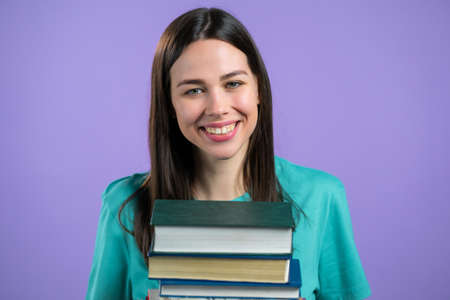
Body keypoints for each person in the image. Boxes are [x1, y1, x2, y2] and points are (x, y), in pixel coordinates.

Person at [86, 7, 371, 300]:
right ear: (169, 103)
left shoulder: (320, 197)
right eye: (194, 90)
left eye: (233, 83)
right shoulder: (123, 205)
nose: (218, 108)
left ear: (258, 88)